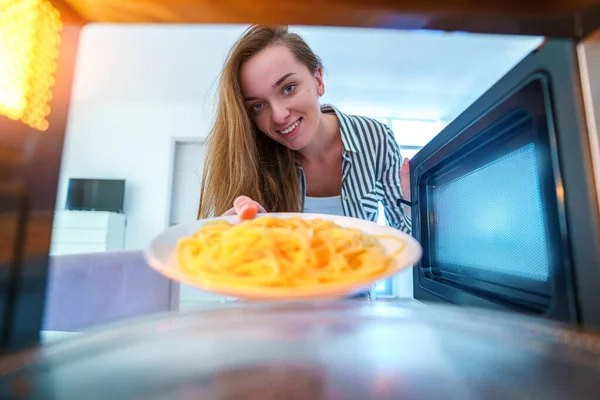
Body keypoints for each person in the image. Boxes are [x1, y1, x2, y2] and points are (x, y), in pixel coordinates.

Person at [198, 24, 411, 236]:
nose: (279, 116)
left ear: (318, 80)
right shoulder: (254, 158)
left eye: (288, 88)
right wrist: (234, 241)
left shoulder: (376, 137)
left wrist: (415, 206)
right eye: (258, 106)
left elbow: (403, 237)